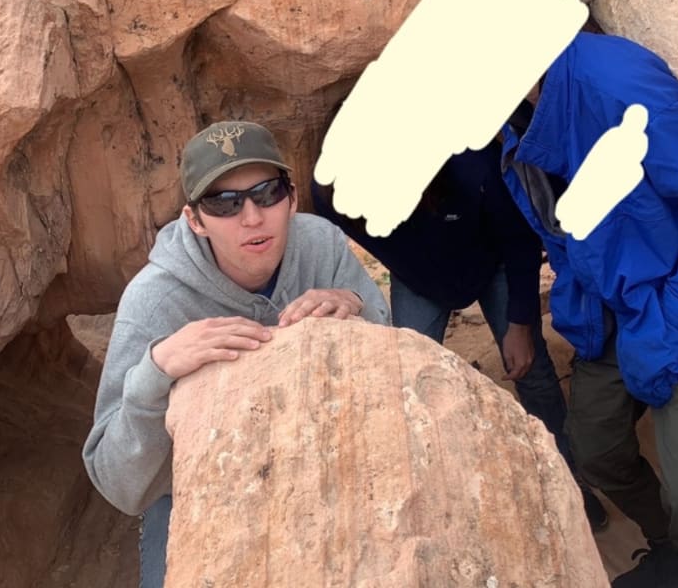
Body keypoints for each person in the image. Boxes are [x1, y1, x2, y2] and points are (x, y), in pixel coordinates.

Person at [498, 31, 678, 588]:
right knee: (595, 452)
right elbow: (568, 230)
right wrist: (583, 313)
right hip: (619, 311)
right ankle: (674, 554)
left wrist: (669, 322)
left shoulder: (616, 87)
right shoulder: (513, 117)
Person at [82, 121, 390, 588]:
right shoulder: (154, 304)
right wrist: (155, 372)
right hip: (195, 485)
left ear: (291, 197)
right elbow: (119, 486)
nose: (252, 217)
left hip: (317, 450)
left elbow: (389, 349)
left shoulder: (320, 246)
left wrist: (356, 304)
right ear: (194, 220)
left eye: (267, 193)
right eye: (224, 203)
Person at [311, 138, 610, 531]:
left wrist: (520, 323)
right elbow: (340, 249)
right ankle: (423, 488)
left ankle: (568, 476)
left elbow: (518, 239)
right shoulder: (329, 190)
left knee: (531, 369)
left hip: (490, 260)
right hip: (417, 276)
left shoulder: (469, 161)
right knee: (404, 381)